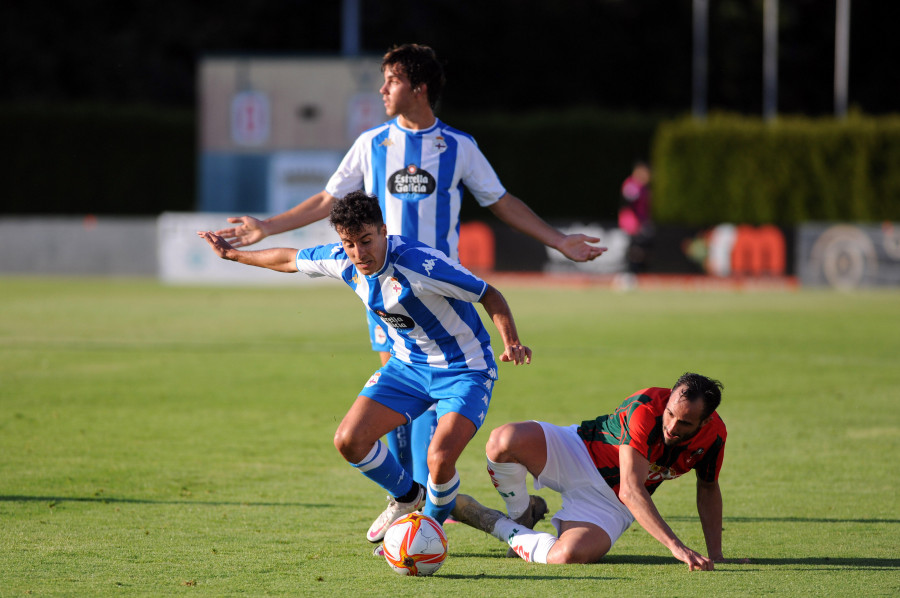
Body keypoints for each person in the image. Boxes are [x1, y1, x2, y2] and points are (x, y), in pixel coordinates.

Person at [214, 43, 606, 534]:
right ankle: (408, 500)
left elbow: (501, 201)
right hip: (380, 290)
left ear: (418, 88)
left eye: (391, 80)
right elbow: (327, 202)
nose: (382, 89)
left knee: (432, 439)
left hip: (439, 295)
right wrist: (265, 229)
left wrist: (558, 240)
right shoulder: (372, 144)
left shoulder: (458, 147)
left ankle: (433, 509)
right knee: (395, 409)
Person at [198, 190, 532, 544]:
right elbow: (289, 259)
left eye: (366, 241)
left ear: (384, 231)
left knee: (438, 460)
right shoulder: (343, 259)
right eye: (349, 243)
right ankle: (407, 499)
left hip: (464, 369)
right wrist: (234, 255)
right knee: (349, 441)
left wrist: (510, 341)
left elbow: (488, 294)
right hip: (408, 366)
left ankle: (426, 536)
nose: (359, 253)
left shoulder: (420, 265)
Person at [451, 372, 748, 570]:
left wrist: (717, 555)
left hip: (611, 501)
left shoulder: (715, 436)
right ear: (668, 399)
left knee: (566, 557)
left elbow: (708, 487)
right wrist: (676, 547)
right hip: (579, 451)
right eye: (670, 414)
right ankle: (520, 515)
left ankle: (492, 523)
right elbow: (634, 489)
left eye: (684, 423)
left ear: (706, 422)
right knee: (503, 440)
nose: (671, 427)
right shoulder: (645, 407)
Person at [618, 161, 653, 274]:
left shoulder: (643, 188)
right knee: (634, 248)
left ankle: (637, 273)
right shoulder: (632, 185)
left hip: (641, 222)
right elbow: (627, 202)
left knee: (643, 248)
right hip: (631, 222)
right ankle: (629, 273)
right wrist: (636, 223)